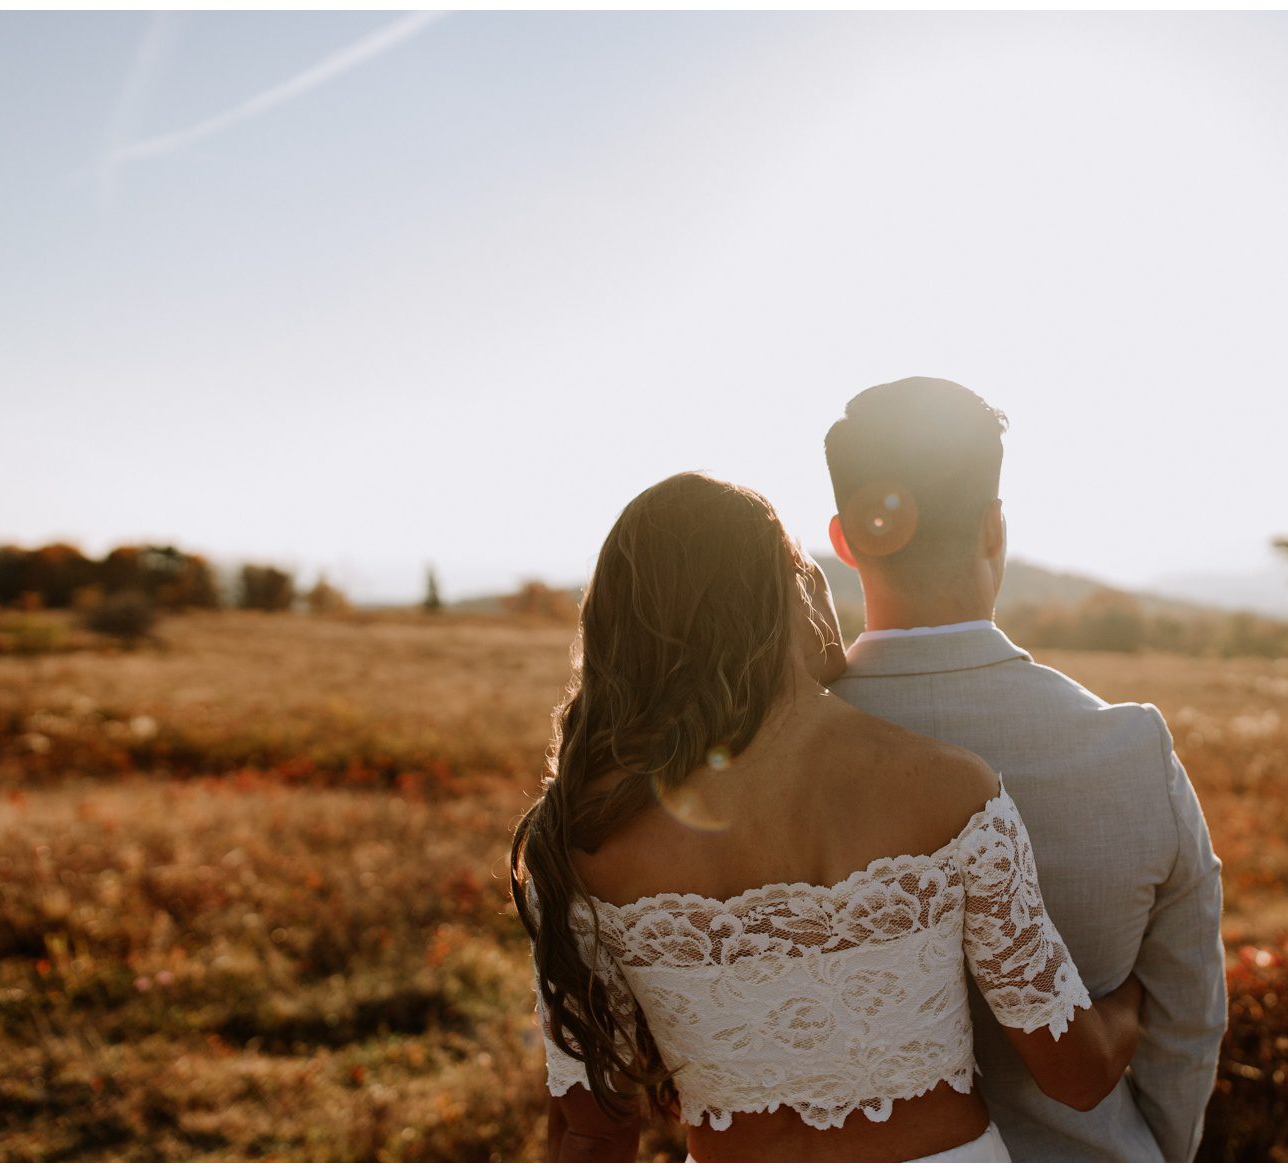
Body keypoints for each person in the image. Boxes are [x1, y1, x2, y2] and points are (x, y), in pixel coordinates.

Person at [509, 472, 1145, 1162]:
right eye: (802, 559)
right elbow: (1076, 1074)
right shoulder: (949, 789)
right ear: (786, 590)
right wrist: (1138, 995)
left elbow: (594, 1135)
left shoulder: (581, 837)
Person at [824, 377, 1227, 1162]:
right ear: (994, 528)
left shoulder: (783, 754)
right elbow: (1191, 1016)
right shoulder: (1131, 748)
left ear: (844, 539)